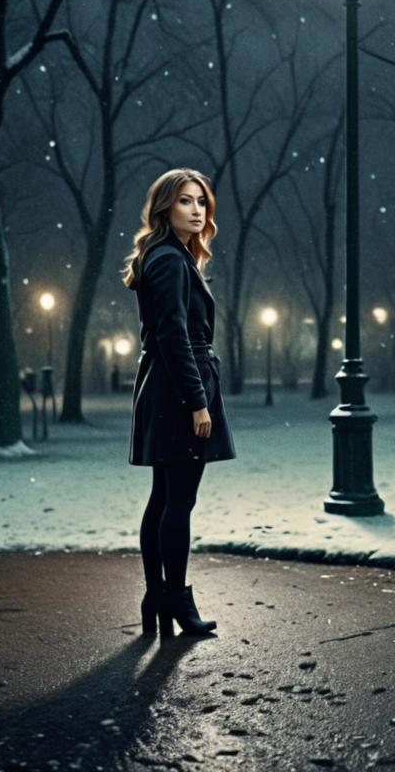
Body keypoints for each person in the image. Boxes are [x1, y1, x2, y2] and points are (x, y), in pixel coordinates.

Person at [121, 168, 236, 637]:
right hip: (178, 389)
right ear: (165, 207)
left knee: (164, 499)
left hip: (165, 386)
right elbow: (173, 334)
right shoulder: (169, 259)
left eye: (202, 202)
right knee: (177, 502)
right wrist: (197, 401)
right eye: (186, 201)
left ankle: (158, 597)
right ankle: (175, 600)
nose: (196, 210)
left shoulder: (165, 256)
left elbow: (168, 334)